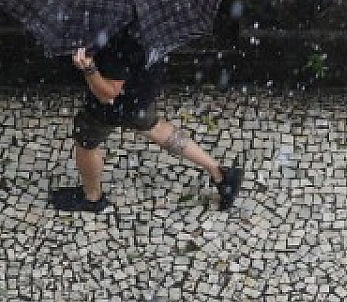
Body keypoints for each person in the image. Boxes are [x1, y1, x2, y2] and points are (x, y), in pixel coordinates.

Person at [49, 24, 243, 213]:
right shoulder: (147, 20)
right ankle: (220, 173)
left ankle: (92, 197)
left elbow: (107, 94)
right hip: (142, 89)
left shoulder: (118, 37)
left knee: (86, 139)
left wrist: (88, 68)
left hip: (120, 101)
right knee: (153, 126)